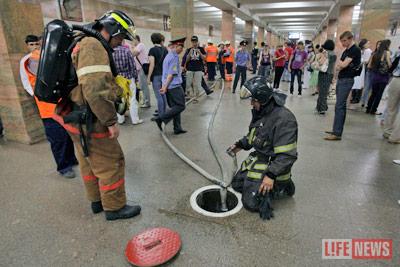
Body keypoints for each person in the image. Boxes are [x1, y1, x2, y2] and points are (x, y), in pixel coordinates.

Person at [55, 10, 141, 220]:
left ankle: (96, 201)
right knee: (111, 162)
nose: (120, 43)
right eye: (120, 37)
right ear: (110, 29)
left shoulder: (80, 41)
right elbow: (95, 90)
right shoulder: (93, 46)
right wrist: (111, 121)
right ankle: (114, 207)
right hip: (91, 120)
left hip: (75, 117)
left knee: (88, 161)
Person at [230, 76, 297, 215]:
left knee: (252, 203)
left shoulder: (284, 120)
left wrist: (271, 176)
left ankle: (282, 186)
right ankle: (271, 184)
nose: (251, 104)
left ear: (262, 99)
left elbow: (287, 156)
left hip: (274, 167)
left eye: (253, 100)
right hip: (261, 158)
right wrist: (240, 145)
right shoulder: (262, 111)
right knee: (237, 185)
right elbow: (255, 134)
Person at [20, 35, 78, 179]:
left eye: (37, 43)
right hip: (47, 107)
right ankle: (63, 167)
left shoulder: (49, 56)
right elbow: (29, 82)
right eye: (32, 44)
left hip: (61, 103)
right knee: (58, 138)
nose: (35, 46)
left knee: (67, 135)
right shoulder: (30, 59)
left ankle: (71, 159)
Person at [324, 31, 361, 141]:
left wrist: (341, 65)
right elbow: (338, 65)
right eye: (342, 41)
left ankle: (337, 133)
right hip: (342, 78)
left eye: (344, 41)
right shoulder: (347, 50)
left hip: (347, 79)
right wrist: (341, 66)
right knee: (339, 106)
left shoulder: (355, 50)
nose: (343, 43)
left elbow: (343, 64)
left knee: (340, 106)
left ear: (350, 39)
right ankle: (336, 129)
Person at [154, 37, 187, 135]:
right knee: (181, 106)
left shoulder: (169, 56)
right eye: (181, 47)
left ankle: (177, 128)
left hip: (169, 86)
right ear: (176, 46)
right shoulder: (174, 57)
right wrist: (164, 87)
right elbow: (170, 75)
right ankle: (160, 118)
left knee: (174, 107)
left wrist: (165, 86)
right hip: (174, 86)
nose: (182, 49)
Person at [113, 41, 143, 125]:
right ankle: (135, 120)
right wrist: (136, 78)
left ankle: (120, 119)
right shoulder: (127, 51)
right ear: (122, 42)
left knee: (120, 99)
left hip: (118, 79)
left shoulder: (111, 52)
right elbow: (132, 66)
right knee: (132, 98)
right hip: (129, 78)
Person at [366, 39, 392, 115]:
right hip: (383, 76)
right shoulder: (387, 52)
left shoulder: (375, 53)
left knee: (373, 93)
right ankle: (374, 110)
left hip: (375, 75)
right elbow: (389, 64)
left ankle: (368, 108)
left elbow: (369, 65)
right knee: (379, 94)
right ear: (387, 45)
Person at [148, 33, 168, 119]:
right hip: (164, 75)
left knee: (158, 96)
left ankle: (160, 116)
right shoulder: (165, 49)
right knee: (163, 95)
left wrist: (148, 77)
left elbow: (152, 64)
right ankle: (163, 112)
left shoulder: (152, 50)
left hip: (156, 75)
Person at [383, 52, 400, 143]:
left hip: (396, 80)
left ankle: (387, 132)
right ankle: (395, 137)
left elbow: (392, 66)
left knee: (391, 108)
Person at [316, 40, 337, 115]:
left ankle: (321, 108)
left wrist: (318, 59)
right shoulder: (334, 54)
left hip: (323, 73)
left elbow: (321, 62)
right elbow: (334, 66)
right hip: (330, 74)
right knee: (325, 91)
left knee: (322, 91)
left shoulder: (325, 53)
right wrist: (334, 77)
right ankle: (322, 107)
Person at [183, 35, 206, 101]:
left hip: (198, 69)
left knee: (197, 84)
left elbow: (204, 58)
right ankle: (188, 95)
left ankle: (196, 97)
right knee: (188, 83)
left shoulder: (201, 49)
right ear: (191, 42)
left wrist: (200, 53)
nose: (194, 43)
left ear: (197, 42)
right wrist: (189, 54)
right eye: (193, 42)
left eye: (195, 42)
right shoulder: (188, 49)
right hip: (190, 69)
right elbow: (186, 60)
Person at [351, 39, 372, 104]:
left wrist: (361, 61)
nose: (369, 45)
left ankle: (357, 98)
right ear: (363, 44)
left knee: (360, 84)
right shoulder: (359, 50)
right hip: (358, 67)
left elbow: (367, 61)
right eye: (368, 43)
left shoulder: (368, 51)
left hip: (363, 68)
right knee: (355, 82)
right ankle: (353, 97)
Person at [132, 35, 151, 108]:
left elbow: (134, 53)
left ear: (136, 39)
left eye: (133, 40)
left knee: (144, 86)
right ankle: (146, 101)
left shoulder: (140, 45)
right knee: (142, 86)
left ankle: (147, 102)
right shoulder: (137, 46)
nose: (132, 42)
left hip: (142, 69)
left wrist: (132, 48)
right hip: (139, 69)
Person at [361, 41, 380, 107]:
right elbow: (369, 63)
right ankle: (364, 102)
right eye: (378, 44)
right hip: (370, 71)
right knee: (367, 87)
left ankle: (366, 102)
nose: (379, 46)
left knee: (372, 89)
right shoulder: (373, 53)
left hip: (376, 73)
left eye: (380, 45)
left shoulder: (383, 54)